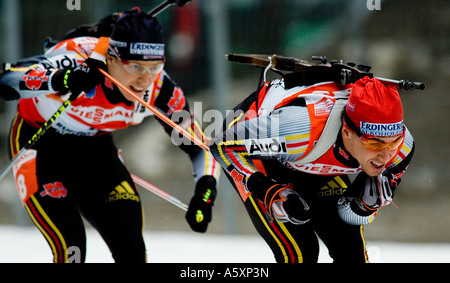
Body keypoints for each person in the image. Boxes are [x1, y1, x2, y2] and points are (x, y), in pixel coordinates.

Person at [0, 8, 220, 263]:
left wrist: (205, 191)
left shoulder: (161, 88)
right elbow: (6, 80)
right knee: (72, 250)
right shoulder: (76, 57)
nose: (143, 80)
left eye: (154, 67)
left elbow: (198, 146)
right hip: (41, 145)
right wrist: (62, 80)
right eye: (135, 66)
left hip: (95, 150)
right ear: (112, 59)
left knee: (132, 249)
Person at [209, 72, 415, 263]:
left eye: (393, 143)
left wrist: (363, 207)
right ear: (347, 133)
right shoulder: (297, 132)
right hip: (267, 152)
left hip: (315, 156)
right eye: (374, 144)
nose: (386, 155)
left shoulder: (402, 151)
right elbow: (222, 145)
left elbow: (347, 217)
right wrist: (265, 189)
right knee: (301, 251)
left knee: (351, 251)